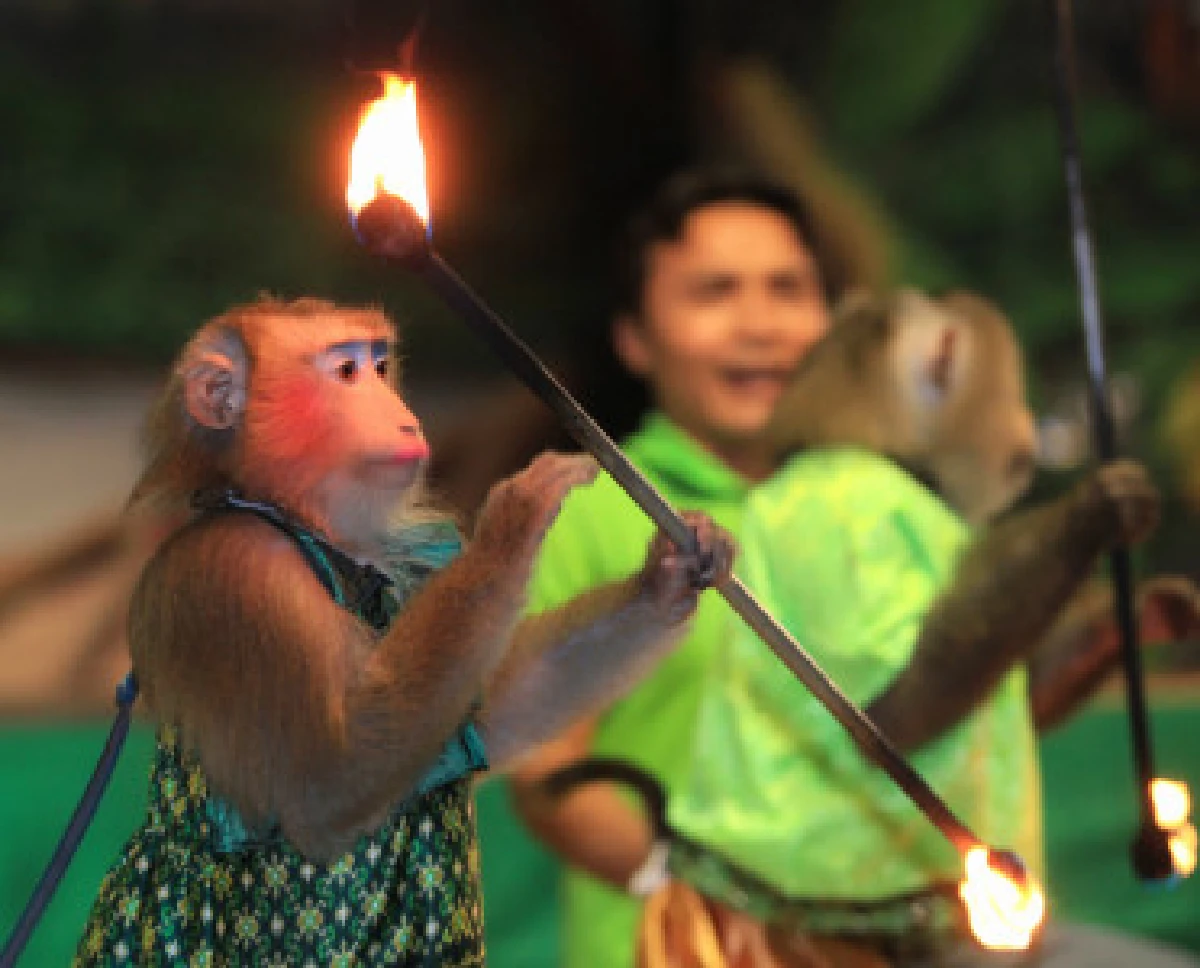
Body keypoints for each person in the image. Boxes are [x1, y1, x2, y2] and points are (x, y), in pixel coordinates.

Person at [510, 167, 835, 968]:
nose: (759, 322)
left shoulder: (870, 506)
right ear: (635, 337)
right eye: (715, 291)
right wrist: (702, 895)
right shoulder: (585, 511)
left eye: (787, 287)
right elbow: (544, 764)